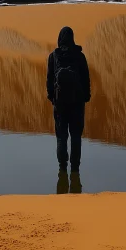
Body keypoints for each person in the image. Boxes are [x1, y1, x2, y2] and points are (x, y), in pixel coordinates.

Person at [47, 26, 91, 175]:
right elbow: (86, 79)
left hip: (60, 104)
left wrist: (52, 98)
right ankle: (75, 168)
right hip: (77, 103)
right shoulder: (80, 56)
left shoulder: (53, 56)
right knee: (76, 136)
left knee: (61, 137)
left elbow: (49, 80)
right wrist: (86, 97)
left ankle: (62, 168)